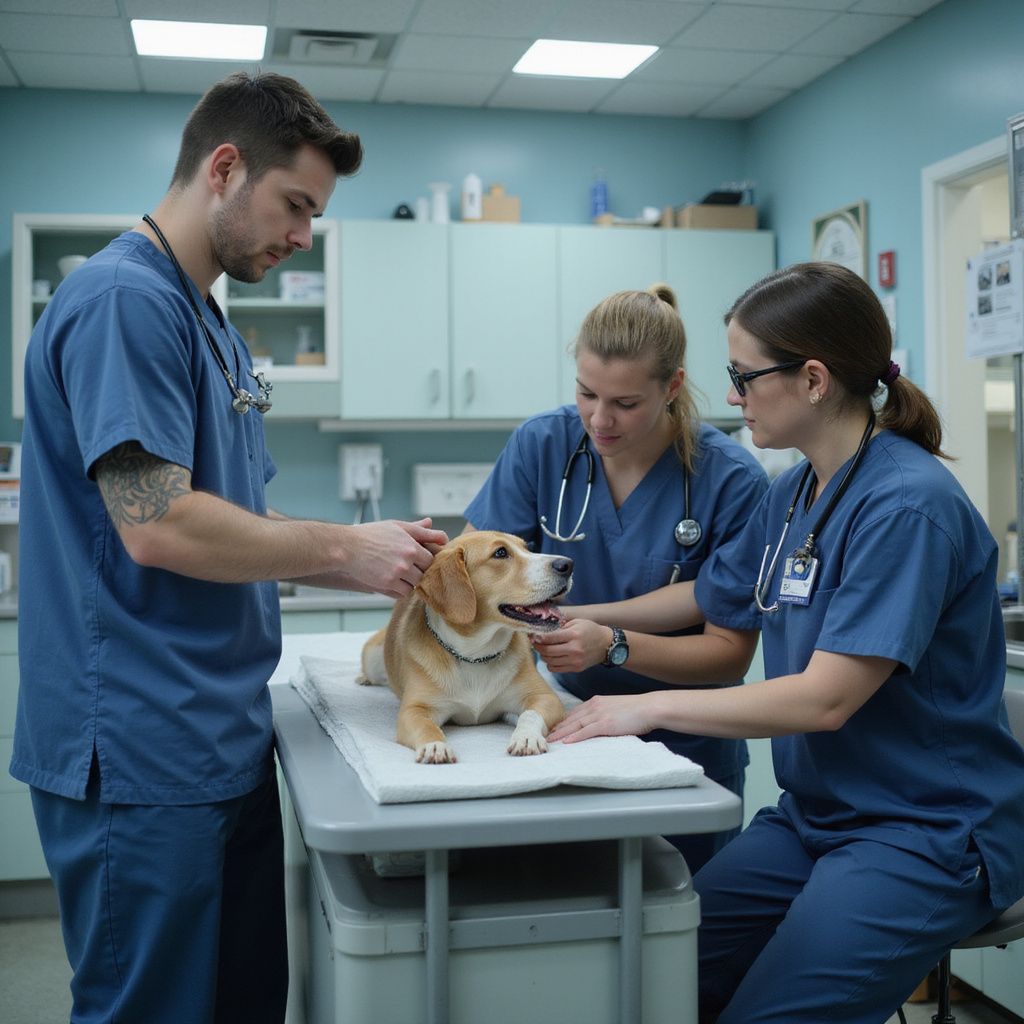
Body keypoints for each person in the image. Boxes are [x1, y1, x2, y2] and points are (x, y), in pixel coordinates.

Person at [9, 72, 447, 1024]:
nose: (302, 236)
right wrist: (344, 549)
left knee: (241, 1001)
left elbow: (238, 515)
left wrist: (366, 557)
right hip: (138, 741)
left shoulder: (211, 323)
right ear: (223, 168)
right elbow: (157, 520)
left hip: (217, 733)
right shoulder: (125, 300)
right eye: (296, 205)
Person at [547, 262, 1024, 1023]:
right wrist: (572, 614)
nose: (730, 396)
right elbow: (708, 595)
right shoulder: (793, 493)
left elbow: (828, 698)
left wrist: (642, 707)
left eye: (743, 376)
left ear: (811, 379)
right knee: (650, 974)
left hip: (923, 830)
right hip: (817, 816)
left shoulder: (906, 506)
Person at [464, 283, 768, 872]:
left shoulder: (729, 479)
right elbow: (478, 583)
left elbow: (728, 656)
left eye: (626, 403)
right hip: (556, 725)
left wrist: (608, 641)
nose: (599, 420)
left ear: (673, 386)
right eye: (586, 393)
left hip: (688, 748)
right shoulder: (544, 444)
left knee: (687, 941)